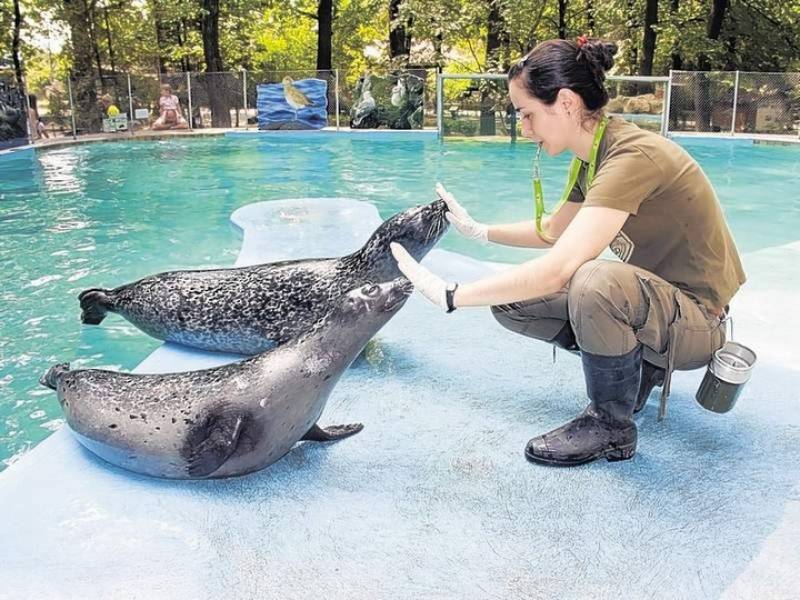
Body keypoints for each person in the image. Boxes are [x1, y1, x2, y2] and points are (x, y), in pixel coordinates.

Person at [390, 37, 745, 467]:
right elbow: (555, 232)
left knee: (595, 281)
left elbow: (560, 267)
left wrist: (452, 295)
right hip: (659, 310)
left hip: (699, 324)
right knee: (512, 302)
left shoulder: (632, 156)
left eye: (527, 114)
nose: (523, 129)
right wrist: (480, 231)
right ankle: (637, 370)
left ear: (566, 102)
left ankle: (610, 425)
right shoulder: (593, 155)